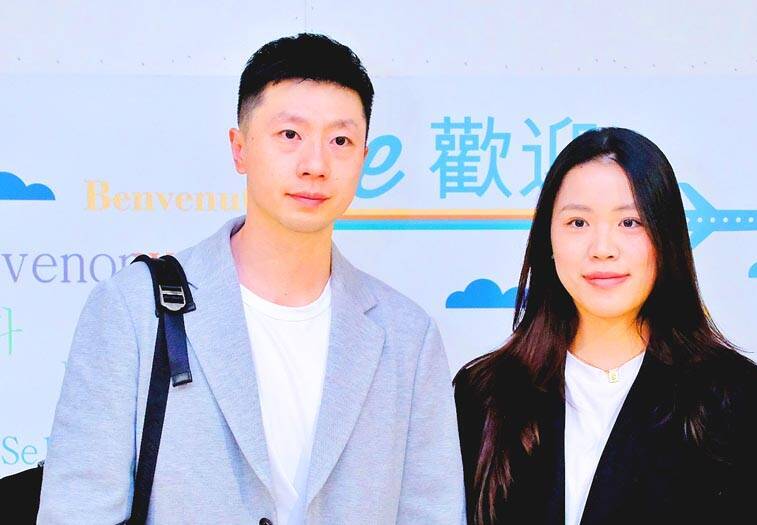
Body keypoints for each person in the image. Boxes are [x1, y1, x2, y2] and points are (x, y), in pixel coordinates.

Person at [39, 33, 465, 524]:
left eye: (340, 140)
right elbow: (77, 511)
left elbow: (431, 514)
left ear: (364, 158)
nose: (315, 165)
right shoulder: (132, 309)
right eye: (290, 135)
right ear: (239, 149)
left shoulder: (407, 337)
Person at [454, 127, 757, 525]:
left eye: (630, 222)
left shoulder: (731, 396)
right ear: (548, 241)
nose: (602, 248)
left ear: (666, 238)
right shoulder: (485, 392)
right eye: (578, 223)